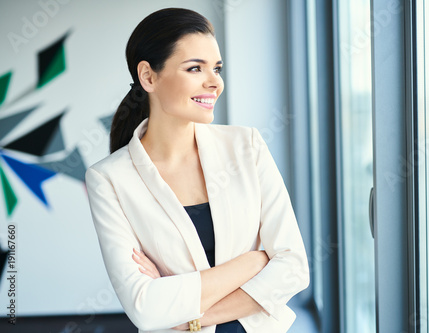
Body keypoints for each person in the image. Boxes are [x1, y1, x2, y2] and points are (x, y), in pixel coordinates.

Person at [85, 7, 309, 333]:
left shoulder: (246, 146)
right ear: (148, 76)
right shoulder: (109, 179)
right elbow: (145, 307)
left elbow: (294, 267)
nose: (214, 82)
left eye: (217, 68)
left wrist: (191, 317)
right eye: (195, 68)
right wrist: (254, 262)